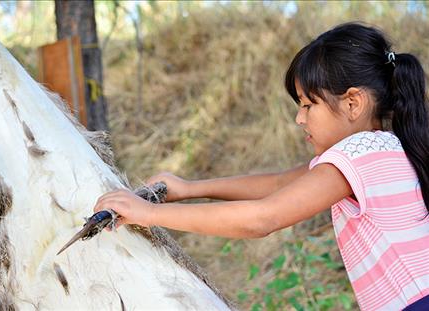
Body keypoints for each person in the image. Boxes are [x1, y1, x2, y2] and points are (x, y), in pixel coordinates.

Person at [94, 23, 429, 310]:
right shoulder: (384, 149)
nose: (300, 118)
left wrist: (147, 214)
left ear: (353, 103)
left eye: (308, 104)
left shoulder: (357, 154)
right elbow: (280, 183)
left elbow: (262, 219)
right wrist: (192, 187)